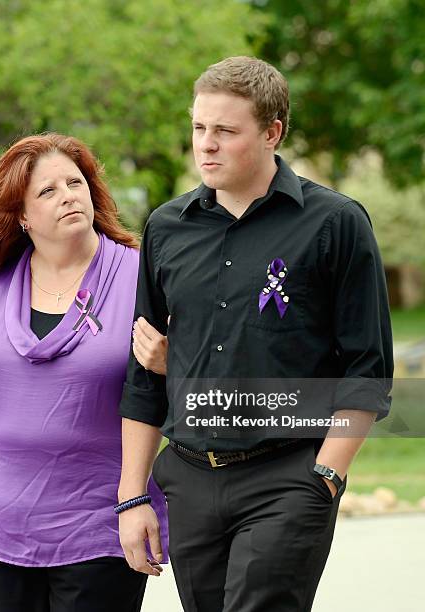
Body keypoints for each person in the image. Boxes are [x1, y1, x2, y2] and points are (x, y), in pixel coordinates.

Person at [119, 56, 393, 611]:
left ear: (272, 133)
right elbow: (143, 372)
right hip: (191, 479)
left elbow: (367, 369)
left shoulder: (335, 223)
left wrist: (327, 474)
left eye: (225, 131)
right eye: (199, 128)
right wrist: (131, 498)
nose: (206, 145)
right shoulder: (166, 228)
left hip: (287, 477)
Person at [0, 133, 169, 612]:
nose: (68, 195)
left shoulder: (140, 278)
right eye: (47, 190)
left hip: (99, 524)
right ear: (22, 216)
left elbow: (166, 386)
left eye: (76, 182)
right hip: (1, 527)